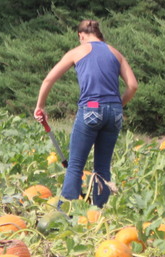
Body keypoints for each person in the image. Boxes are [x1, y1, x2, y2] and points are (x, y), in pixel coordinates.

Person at [33, 20, 138, 208]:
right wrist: (117, 105)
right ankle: (100, 212)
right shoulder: (115, 53)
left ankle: (65, 213)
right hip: (114, 111)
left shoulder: (77, 51)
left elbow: (49, 79)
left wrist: (40, 106)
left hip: (91, 107)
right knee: (102, 168)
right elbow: (133, 86)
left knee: (75, 166)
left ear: (81, 35)